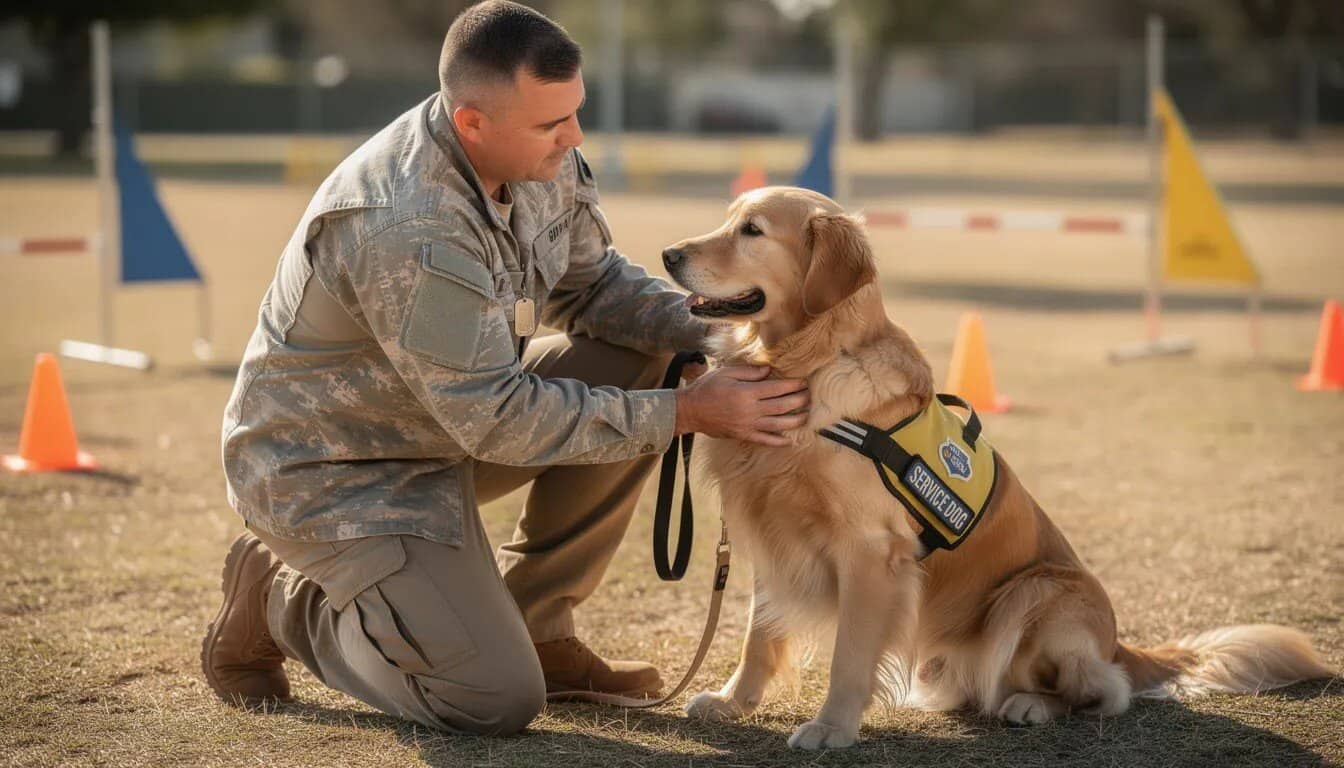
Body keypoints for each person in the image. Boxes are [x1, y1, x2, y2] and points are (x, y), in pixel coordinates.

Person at [201, 0, 810, 737]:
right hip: (336, 471)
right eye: (552, 124)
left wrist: (747, 337)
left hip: (438, 430)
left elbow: (594, 288)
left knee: (651, 354)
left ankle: (539, 627)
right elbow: (496, 418)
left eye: (574, 113)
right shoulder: (408, 225)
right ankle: (280, 596)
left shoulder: (535, 155)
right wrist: (692, 411)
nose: (575, 137)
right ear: (472, 123)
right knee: (489, 698)